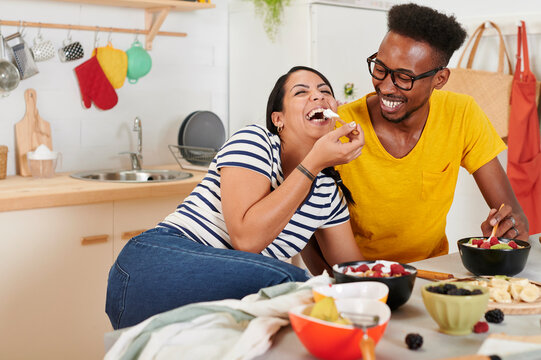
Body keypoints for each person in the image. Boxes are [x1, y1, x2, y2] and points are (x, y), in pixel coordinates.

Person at [105, 66, 365, 329]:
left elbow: (354, 273)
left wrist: (395, 285)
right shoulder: (255, 141)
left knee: (301, 296)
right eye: (302, 92)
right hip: (152, 264)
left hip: (219, 291)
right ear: (278, 119)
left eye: (325, 92)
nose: (318, 97)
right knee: (290, 287)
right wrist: (312, 165)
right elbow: (246, 239)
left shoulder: (326, 192)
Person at [302, 3, 529, 270]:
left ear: (440, 79)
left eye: (404, 78)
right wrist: (346, 290)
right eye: (380, 68)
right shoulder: (341, 128)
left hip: (431, 272)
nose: (385, 86)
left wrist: (505, 229)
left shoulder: (461, 113)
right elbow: (307, 232)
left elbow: (517, 220)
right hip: (357, 281)